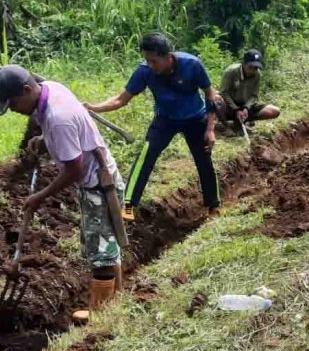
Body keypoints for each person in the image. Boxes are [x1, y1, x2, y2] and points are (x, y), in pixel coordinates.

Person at [0, 66, 127, 319]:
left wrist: (40, 197)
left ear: (27, 90)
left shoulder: (58, 118)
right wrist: (46, 141)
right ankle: (116, 302)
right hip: (99, 177)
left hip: (98, 186)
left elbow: (74, 170)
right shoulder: (51, 88)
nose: (13, 109)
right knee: (107, 245)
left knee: (101, 252)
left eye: (13, 103)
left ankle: (102, 317)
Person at [87, 33, 221, 220]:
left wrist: (210, 129)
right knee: (145, 157)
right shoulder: (144, 71)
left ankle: (213, 205)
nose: (150, 65)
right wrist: (94, 107)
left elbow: (210, 94)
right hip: (165, 119)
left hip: (194, 117)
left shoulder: (192, 65)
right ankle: (128, 205)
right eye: (147, 60)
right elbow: (121, 99)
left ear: (168, 56)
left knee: (204, 159)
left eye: (154, 61)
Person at [218, 49, 280, 134]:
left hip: (246, 106)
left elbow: (254, 95)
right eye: (250, 67)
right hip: (230, 106)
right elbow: (223, 93)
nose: (253, 70)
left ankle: (244, 120)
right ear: (244, 64)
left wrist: (246, 108)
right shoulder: (231, 71)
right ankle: (226, 126)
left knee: (274, 111)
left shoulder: (257, 74)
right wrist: (236, 109)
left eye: (256, 68)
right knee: (216, 101)